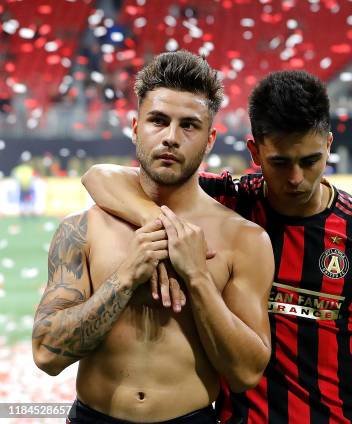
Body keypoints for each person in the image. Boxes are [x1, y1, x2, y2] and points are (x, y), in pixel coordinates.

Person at [82, 70, 352, 423]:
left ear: (327, 145)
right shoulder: (229, 202)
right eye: (280, 162)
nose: (296, 178)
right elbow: (99, 176)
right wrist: (163, 224)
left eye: (309, 161)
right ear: (256, 151)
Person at [32, 51, 274, 423]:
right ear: (135, 127)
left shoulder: (244, 239)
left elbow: (245, 374)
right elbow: (47, 355)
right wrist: (125, 277)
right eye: (158, 121)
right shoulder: (82, 229)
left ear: (210, 139)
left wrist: (197, 278)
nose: (171, 138)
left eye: (189, 125)